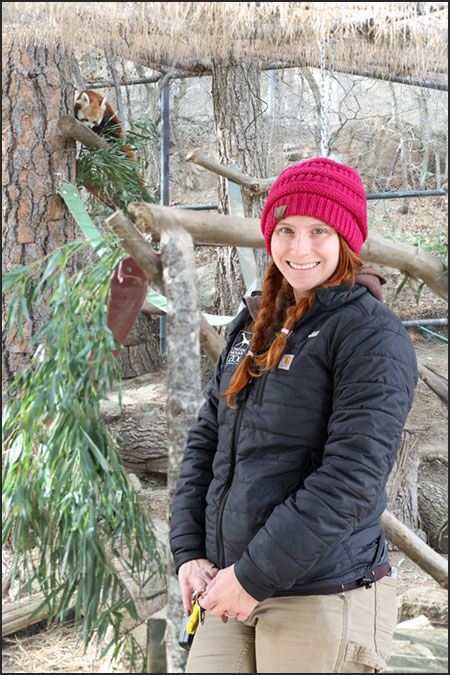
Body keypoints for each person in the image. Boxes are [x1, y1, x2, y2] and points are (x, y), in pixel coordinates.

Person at [169, 158, 418, 673]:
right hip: (228, 584)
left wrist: (254, 577)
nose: (298, 248)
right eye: (285, 230)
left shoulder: (372, 336)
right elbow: (207, 440)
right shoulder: (256, 322)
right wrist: (188, 551)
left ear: (346, 238)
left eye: (318, 231)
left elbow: (350, 479)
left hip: (324, 591)